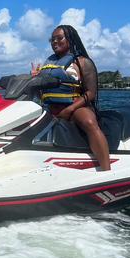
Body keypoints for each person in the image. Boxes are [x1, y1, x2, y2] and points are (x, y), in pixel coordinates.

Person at [30, 25, 111, 171]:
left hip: (76, 107)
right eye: (52, 39)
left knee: (89, 122)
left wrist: (70, 109)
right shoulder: (48, 66)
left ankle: (107, 170)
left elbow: (91, 93)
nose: (54, 41)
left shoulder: (82, 62)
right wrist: (35, 81)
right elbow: (41, 96)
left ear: (70, 39)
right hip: (52, 109)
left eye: (59, 38)